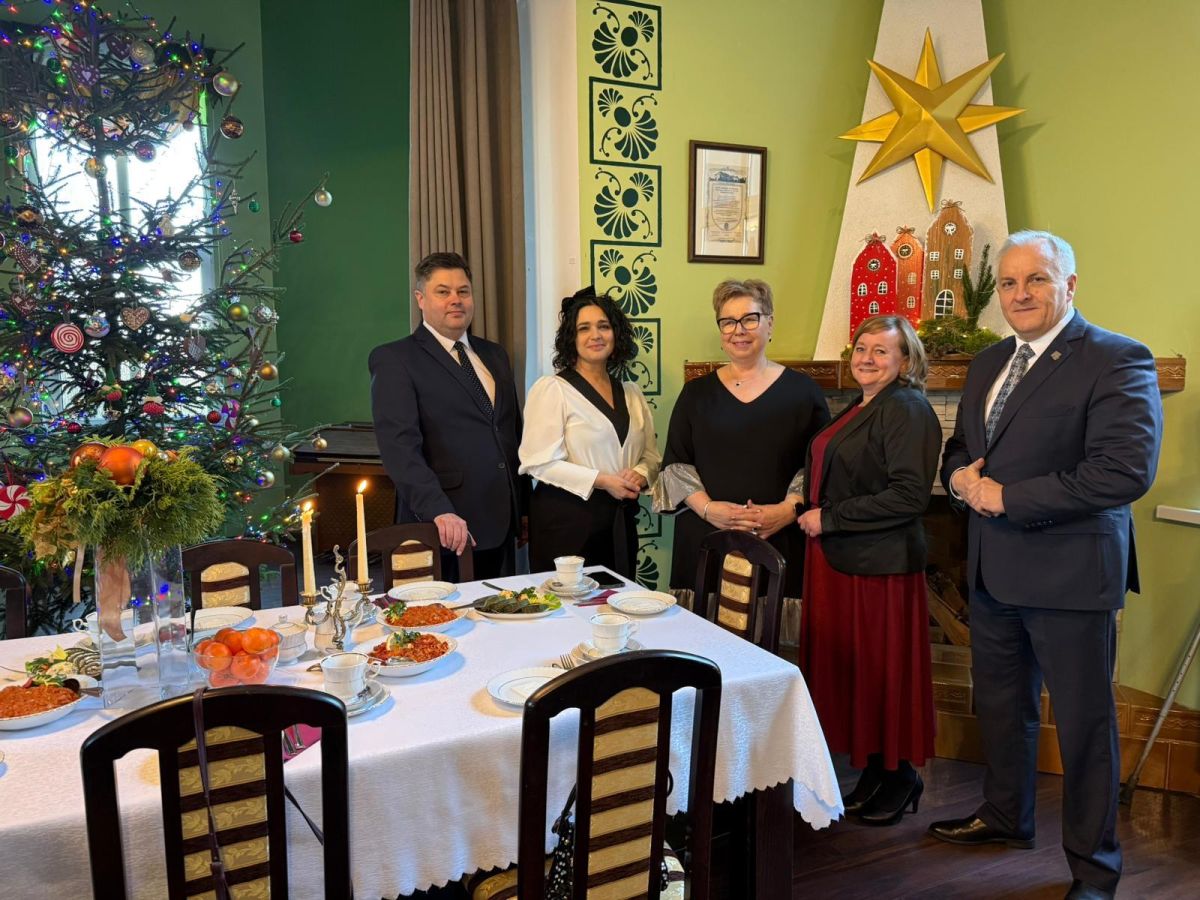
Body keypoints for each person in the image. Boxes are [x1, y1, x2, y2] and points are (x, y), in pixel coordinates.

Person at [932, 231, 1162, 900]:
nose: (1020, 293)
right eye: (1008, 282)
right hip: (993, 572)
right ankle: (1006, 816)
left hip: (1071, 575)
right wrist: (958, 481)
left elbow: (1123, 472)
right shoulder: (987, 362)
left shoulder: (1116, 357)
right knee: (1002, 709)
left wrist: (1006, 497)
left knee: (1085, 727)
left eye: (1036, 279)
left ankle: (1095, 870)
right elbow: (960, 449)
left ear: (1069, 285)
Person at [796, 315, 941, 826]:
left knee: (882, 671)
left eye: (882, 350)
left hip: (878, 569)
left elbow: (909, 495)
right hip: (844, 562)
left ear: (906, 360)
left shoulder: (907, 408)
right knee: (860, 670)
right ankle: (876, 770)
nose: (868, 358)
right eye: (861, 348)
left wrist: (829, 518)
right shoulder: (864, 405)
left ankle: (901, 775)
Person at [653, 279, 830, 611]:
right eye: (728, 322)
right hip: (706, 538)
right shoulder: (695, 394)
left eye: (750, 318)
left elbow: (819, 463)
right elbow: (676, 465)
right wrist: (709, 509)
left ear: (769, 323)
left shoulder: (804, 392)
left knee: (772, 636)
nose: (739, 330)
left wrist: (787, 510)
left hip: (779, 537)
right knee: (705, 638)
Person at [369, 251, 526, 580]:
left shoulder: (495, 355)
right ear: (420, 299)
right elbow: (400, 448)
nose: (456, 299)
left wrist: (523, 507)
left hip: (502, 525)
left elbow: (513, 434)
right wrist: (438, 510)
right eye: (443, 292)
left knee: (501, 612)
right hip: (442, 527)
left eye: (463, 291)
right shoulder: (395, 359)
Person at [519, 287, 661, 578]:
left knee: (618, 601)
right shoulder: (553, 389)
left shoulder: (631, 393)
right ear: (571, 338)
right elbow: (538, 463)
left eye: (603, 326)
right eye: (584, 328)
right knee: (569, 605)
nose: (595, 335)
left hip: (619, 523)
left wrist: (641, 473)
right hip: (567, 526)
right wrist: (603, 480)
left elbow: (651, 456)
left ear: (616, 334)